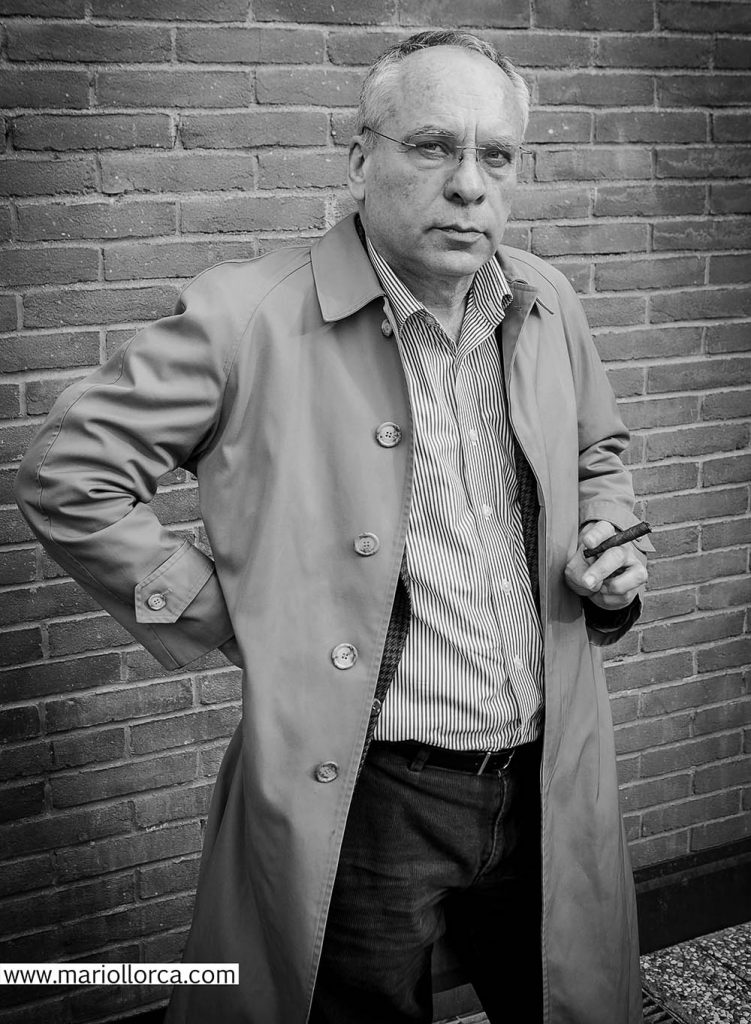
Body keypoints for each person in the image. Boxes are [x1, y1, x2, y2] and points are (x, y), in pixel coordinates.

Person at [15, 30, 651, 1024]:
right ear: (360, 159)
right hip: (368, 797)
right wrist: (231, 614)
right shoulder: (246, 316)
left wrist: (608, 540)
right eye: (432, 146)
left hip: (547, 777)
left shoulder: (544, 301)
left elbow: (596, 451)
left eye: (495, 155)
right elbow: (70, 472)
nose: (469, 184)